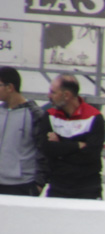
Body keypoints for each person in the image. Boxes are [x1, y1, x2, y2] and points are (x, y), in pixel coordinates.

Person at [43, 75, 105, 200]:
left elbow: (91, 155)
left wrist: (60, 147)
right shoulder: (49, 115)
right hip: (58, 187)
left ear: (66, 95)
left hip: (88, 188)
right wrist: (77, 145)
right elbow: (46, 149)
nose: (48, 96)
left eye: (53, 92)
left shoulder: (94, 117)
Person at [0, 66, 48, 196]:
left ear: (10, 87)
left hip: (22, 185)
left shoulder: (35, 114)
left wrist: (39, 184)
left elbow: (44, 150)